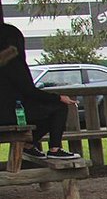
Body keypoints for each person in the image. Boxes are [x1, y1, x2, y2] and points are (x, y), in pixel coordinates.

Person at [0, 22, 80, 161]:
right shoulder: (13, 64)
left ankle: (28, 145)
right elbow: (29, 90)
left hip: (7, 111)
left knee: (43, 113)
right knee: (58, 108)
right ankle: (54, 149)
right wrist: (58, 98)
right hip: (10, 114)